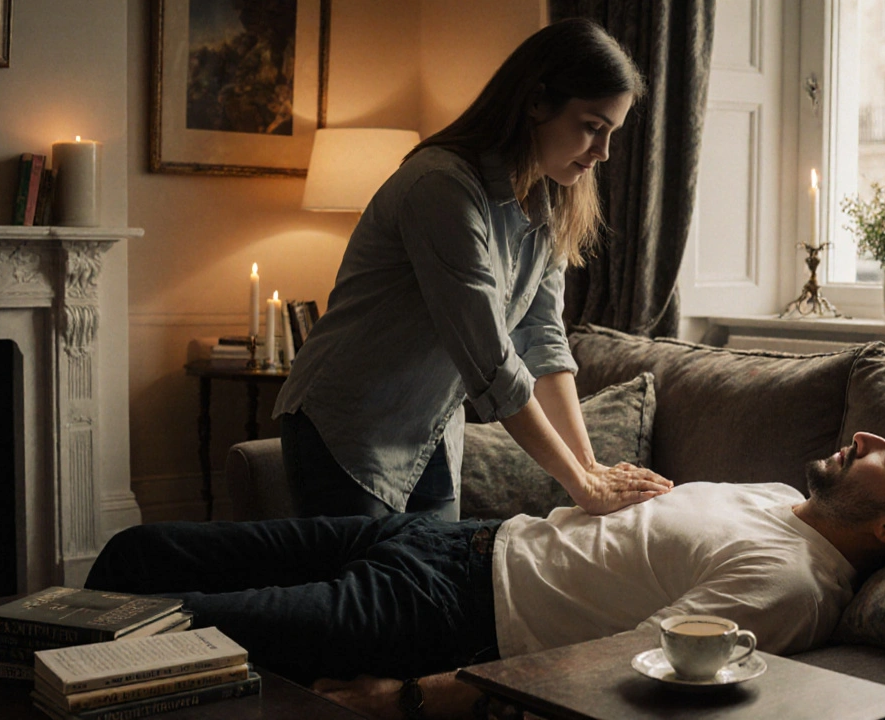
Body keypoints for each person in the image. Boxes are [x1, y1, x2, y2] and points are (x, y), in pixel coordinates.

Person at [87, 423, 885, 719]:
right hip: (451, 539)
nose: (866, 436)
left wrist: (407, 700)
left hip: (442, 611)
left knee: (152, 625)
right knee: (138, 552)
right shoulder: (774, 495)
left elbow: (618, 671)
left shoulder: (788, 588)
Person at [273, 18, 670, 521]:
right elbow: (492, 363)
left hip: (433, 433)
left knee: (436, 576)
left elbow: (542, 340)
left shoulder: (548, 202)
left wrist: (588, 465)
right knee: (362, 576)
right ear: (537, 101)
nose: (604, 153)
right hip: (348, 427)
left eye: (611, 133)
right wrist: (581, 484)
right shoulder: (441, 187)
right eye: (592, 127)